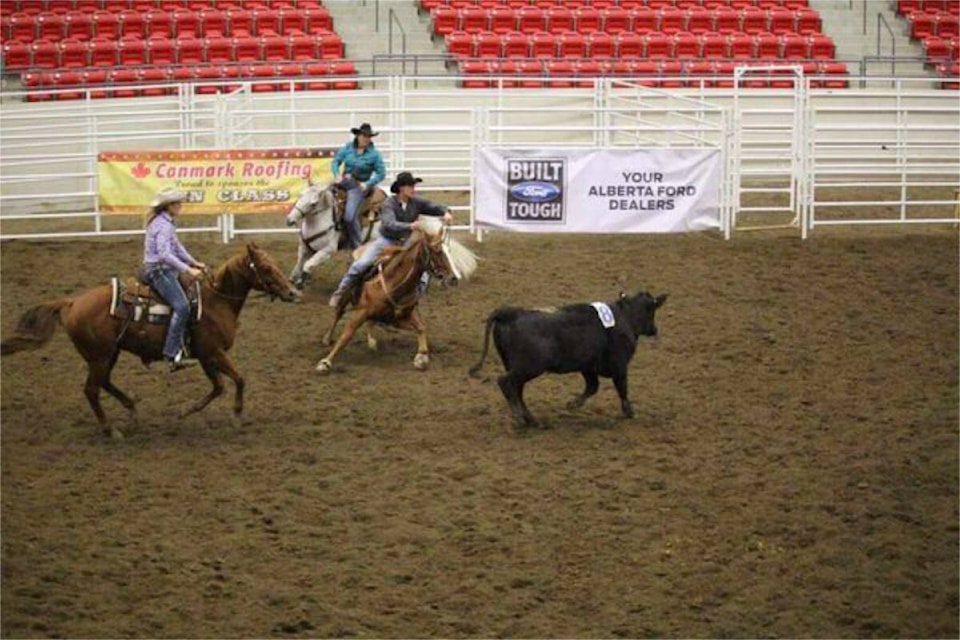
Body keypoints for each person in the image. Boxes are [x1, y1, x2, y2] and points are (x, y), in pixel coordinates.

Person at [328, 171, 453, 308]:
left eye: (413, 186)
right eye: (410, 186)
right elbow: (389, 223)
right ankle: (340, 292)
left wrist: (445, 212)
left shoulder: (416, 202)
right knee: (361, 264)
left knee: (422, 269)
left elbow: (433, 206)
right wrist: (410, 225)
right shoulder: (389, 203)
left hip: (405, 242)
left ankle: (414, 297)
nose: (413, 189)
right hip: (387, 240)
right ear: (401, 188)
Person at [141, 187, 206, 372]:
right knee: (182, 306)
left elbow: (177, 247)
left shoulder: (165, 222)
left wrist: (194, 262)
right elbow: (164, 254)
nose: (180, 206)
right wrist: (188, 269)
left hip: (163, 268)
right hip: (159, 271)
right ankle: (172, 353)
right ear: (167, 206)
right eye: (176, 203)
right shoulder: (163, 225)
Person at [331, 122, 387, 250]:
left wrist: (367, 184)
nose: (366, 139)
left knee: (350, 217)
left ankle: (357, 246)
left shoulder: (374, 154)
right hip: (344, 181)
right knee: (321, 198)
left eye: (368, 137)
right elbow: (336, 161)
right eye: (364, 136)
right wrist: (336, 174)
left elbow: (381, 174)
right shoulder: (348, 148)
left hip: (358, 186)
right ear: (358, 136)